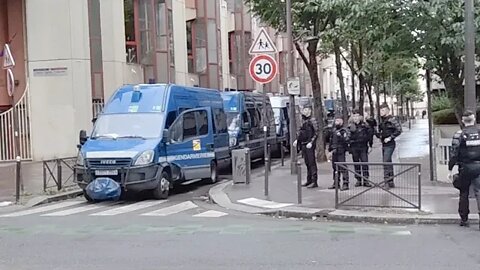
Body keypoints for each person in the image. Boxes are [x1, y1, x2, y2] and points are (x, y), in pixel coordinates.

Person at [448, 110, 480, 229]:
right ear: (474, 119)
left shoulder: (459, 134)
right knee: (479, 192)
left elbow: (454, 154)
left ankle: (464, 219)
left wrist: (450, 169)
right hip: (478, 166)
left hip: (465, 167)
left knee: (464, 192)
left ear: (462, 120)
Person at [293, 105, 319, 188]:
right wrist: (298, 140)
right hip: (304, 144)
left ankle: (314, 181)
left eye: (307, 110)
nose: (305, 111)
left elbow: (316, 132)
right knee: (307, 163)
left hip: (309, 144)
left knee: (312, 163)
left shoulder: (312, 120)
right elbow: (301, 132)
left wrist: (311, 142)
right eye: (304, 110)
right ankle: (309, 180)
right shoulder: (303, 121)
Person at [376, 103, 402, 188]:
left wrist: (390, 137)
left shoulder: (392, 119)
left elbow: (399, 130)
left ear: (387, 110)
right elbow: (380, 131)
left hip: (390, 143)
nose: (381, 112)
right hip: (384, 143)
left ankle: (387, 181)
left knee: (386, 161)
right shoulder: (381, 120)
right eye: (380, 110)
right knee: (388, 161)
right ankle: (390, 181)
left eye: (383, 110)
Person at [348, 109, 374, 187]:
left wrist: (370, 145)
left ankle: (366, 180)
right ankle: (358, 179)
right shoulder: (350, 126)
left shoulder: (365, 125)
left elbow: (370, 136)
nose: (355, 118)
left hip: (363, 146)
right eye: (354, 116)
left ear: (360, 117)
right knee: (356, 163)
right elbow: (347, 137)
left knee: (364, 163)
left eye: (357, 116)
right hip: (354, 146)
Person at [327, 116, 350, 190]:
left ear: (342, 121)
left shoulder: (344, 130)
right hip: (334, 151)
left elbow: (347, 140)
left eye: (338, 121)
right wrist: (330, 149)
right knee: (335, 168)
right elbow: (331, 140)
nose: (336, 122)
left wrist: (341, 136)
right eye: (336, 120)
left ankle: (345, 183)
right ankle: (336, 183)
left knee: (343, 167)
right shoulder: (333, 130)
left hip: (341, 151)